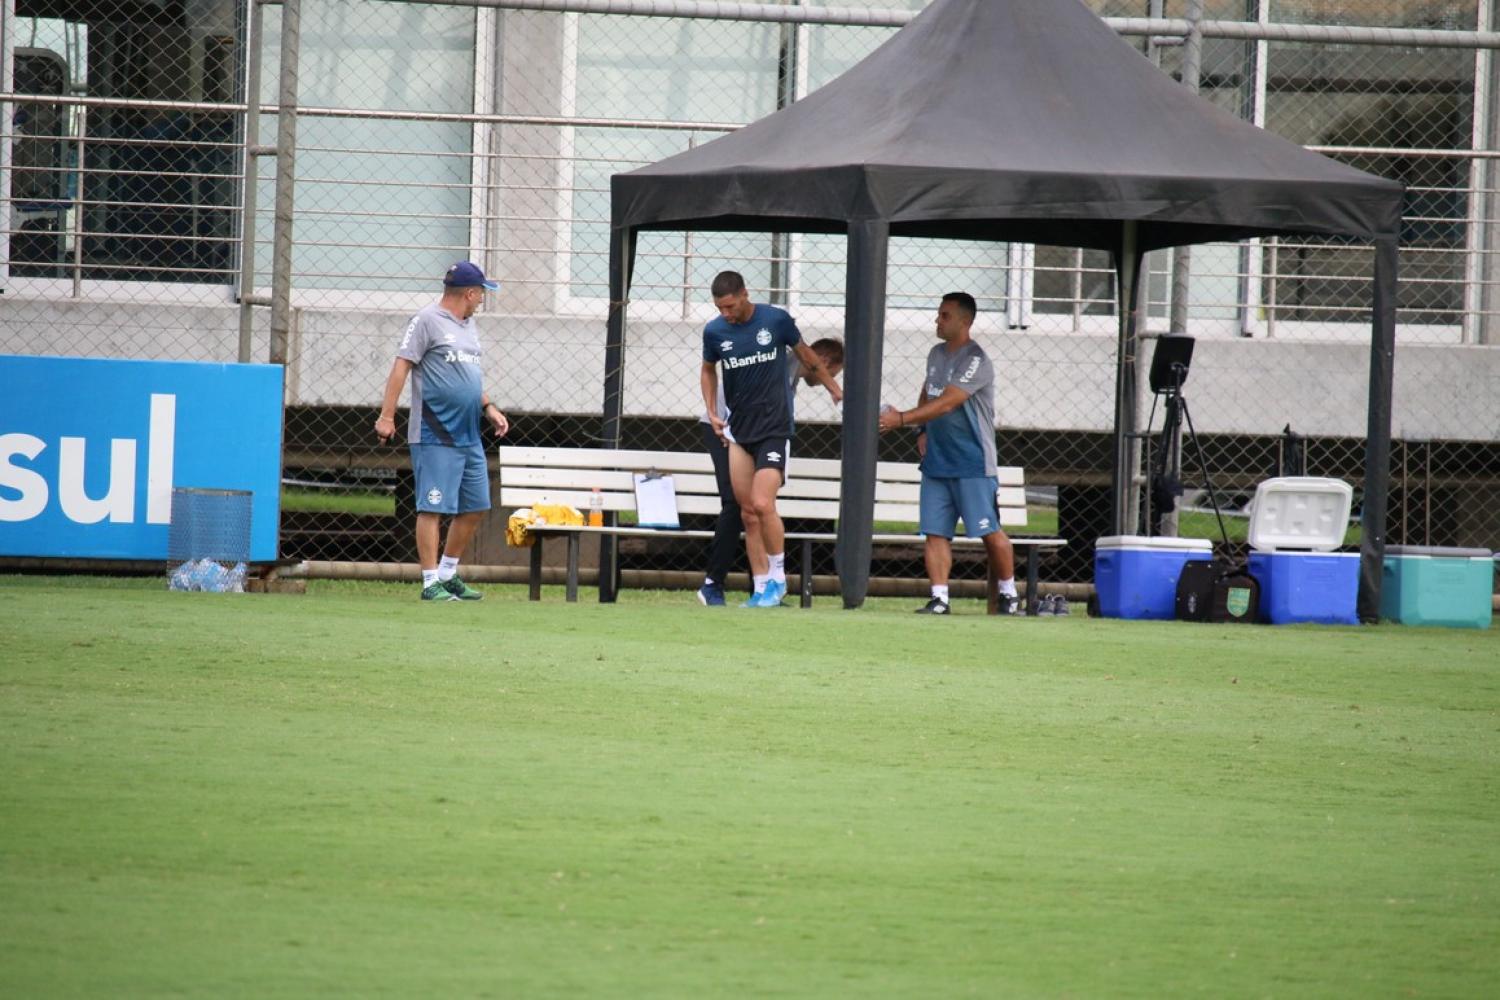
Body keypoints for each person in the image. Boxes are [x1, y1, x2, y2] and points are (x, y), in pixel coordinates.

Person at [700, 271, 843, 608]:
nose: (726, 314)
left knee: (764, 504)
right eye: (720, 308)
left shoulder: (776, 321)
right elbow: (708, 370)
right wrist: (713, 411)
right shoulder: (715, 331)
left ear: (745, 295)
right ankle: (761, 587)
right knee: (747, 512)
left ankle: (778, 578)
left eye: (731, 306)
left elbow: (808, 356)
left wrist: (836, 390)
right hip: (739, 431)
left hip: (774, 429)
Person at [375, 261, 509, 602]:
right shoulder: (425, 321)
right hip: (436, 434)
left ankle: (448, 574)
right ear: (469, 292)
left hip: (469, 435)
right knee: (432, 508)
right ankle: (429, 581)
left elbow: (467, 377)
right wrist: (387, 416)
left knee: (476, 505)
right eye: (481, 293)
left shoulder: (469, 326)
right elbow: (401, 365)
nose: (482, 300)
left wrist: (488, 407)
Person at [878, 292, 1019, 615]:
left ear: (965, 322)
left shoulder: (976, 360)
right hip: (936, 462)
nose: (937, 321)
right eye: (938, 314)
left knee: (989, 530)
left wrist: (901, 419)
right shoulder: (935, 354)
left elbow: (950, 400)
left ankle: (1009, 594)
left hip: (972, 462)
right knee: (935, 531)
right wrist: (921, 429)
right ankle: (940, 598)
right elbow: (929, 392)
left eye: (944, 316)